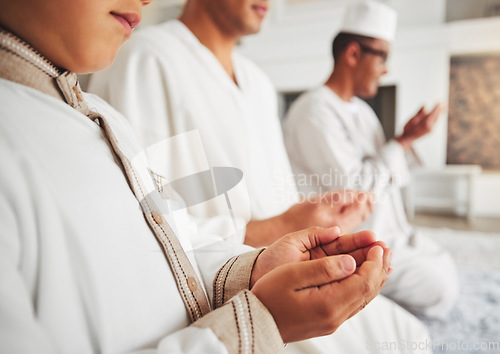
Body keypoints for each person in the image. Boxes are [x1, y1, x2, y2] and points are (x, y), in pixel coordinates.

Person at [0, 0, 399, 352]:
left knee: (400, 330)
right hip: (234, 310)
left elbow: (167, 243)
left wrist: (260, 263)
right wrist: (264, 314)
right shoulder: (149, 59)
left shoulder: (102, 116)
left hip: (242, 275)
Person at [88, 1, 373, 249]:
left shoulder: (258, 82)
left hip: (289, 271)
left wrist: (313, 217)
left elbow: (275, 199)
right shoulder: (146, 58)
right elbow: (146, 223)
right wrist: (281, 227)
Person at [283, 0, 459, 319]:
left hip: (391, 232)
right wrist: (402, 142)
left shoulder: (364, 112)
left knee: (444, 260)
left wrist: (407, 138)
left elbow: (386, 173)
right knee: (440, 287)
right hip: (355, 242)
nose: (386, 68)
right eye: (383, 57)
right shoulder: (313, 110)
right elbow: (355, 189)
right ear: (353, 54)